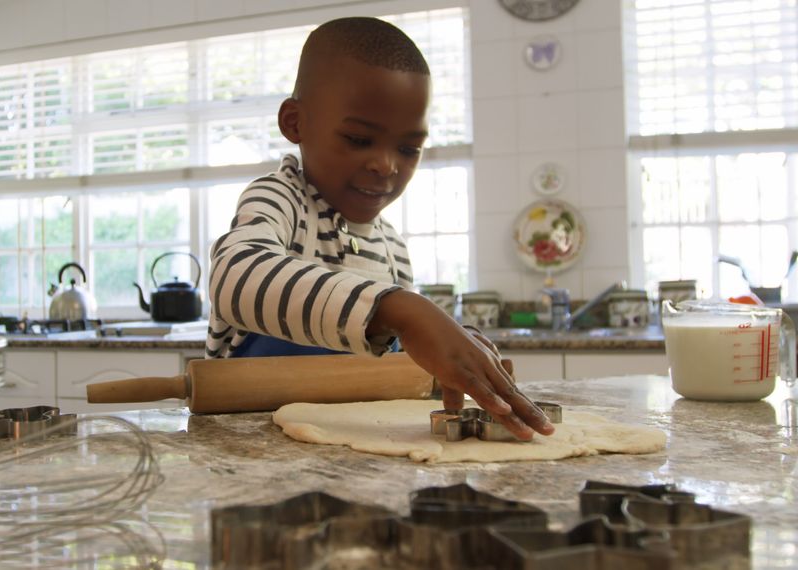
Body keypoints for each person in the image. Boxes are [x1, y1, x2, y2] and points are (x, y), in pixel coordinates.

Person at [207, 17, 553, 440]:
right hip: (250, 444)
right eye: (358, 139)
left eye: (408, 148)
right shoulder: (281, 199)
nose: (386, 165)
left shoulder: (392, 249)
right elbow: (235, 278)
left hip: (352, 447)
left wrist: (448, 347)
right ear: (294, 123)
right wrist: (403, 309)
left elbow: (392, 355)